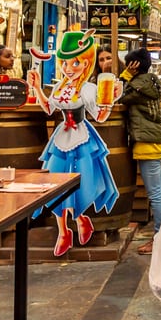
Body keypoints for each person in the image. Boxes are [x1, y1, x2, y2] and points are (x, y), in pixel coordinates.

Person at [26, 30, 122, 256]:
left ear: (86, 63)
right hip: (61, 137)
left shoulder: (89, 89)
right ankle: (63, 231)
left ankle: (81, 220)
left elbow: (99, 117)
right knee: (55, 181)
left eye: (75, 62)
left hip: (82, 137)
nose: (69, 68)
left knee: (81, 182)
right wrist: (38, 87)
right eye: (65, 63)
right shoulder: (59, 86)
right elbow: (49, 109)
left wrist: (110, 100)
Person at [121, 47, 161, 256]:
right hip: (157, 141)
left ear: (134, 65)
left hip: (147, 144)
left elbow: (116, 96)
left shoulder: (137, 86)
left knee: (156, 195)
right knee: (159, 193)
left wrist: (125, 76)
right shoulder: (151, 81)